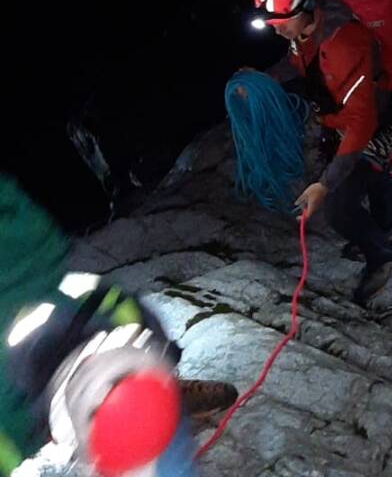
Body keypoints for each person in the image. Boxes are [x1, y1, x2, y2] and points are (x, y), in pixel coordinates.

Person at [0, 174, 236, 477]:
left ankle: (138, 392)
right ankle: (144, 391)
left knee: (141, 429)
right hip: (97, 362)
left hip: (85, 376)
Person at [248, 0, 392, 304]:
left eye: (280, 22)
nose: (276, 30)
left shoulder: (345, 42)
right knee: (377, 175)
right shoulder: (310, 26)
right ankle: (384, 230)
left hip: (372, 121)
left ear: (305, 7)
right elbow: (299, 62)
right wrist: (262, 80)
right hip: (356, 116)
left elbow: (363, 124)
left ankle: (380, 256)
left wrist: (324, 184)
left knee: (338, 207)